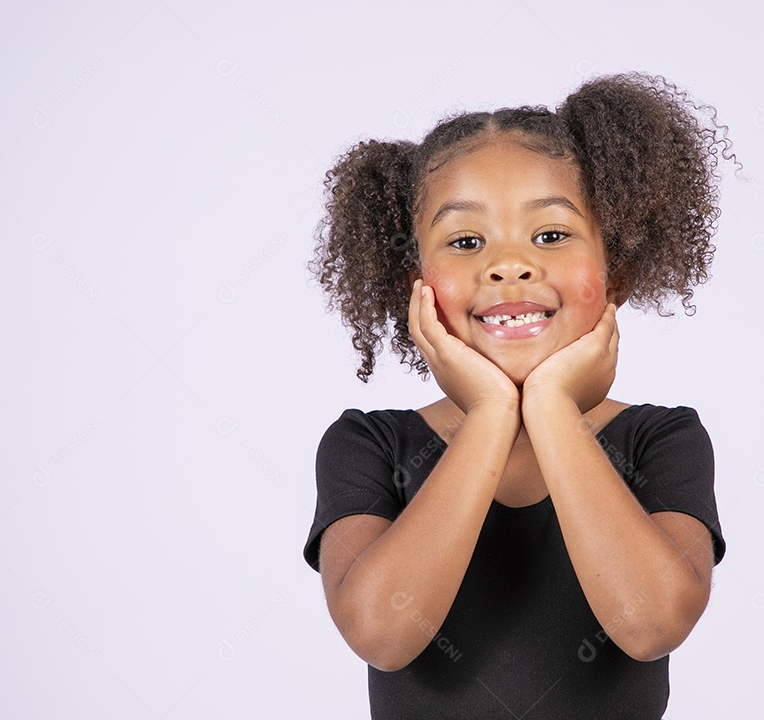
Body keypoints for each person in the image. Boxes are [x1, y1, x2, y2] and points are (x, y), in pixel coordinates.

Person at [303, 71, 735, 719]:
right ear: (412, 282)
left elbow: (649, 624)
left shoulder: (660, 439)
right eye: (466, 241)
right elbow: (384, 635)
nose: (509, 265)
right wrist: (491, 412)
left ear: (615, 270)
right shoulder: (370, 444)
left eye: (552, 235)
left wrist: (552, 408)